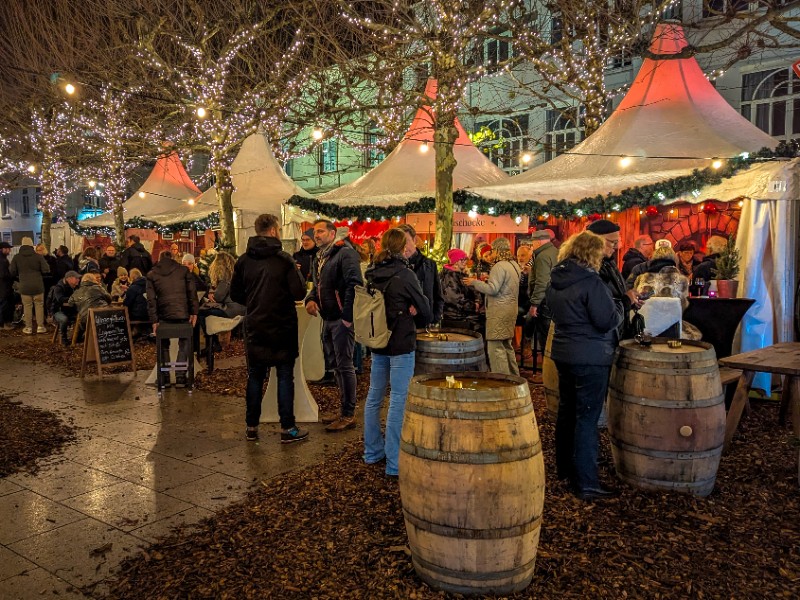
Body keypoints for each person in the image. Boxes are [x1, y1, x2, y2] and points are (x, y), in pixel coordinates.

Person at [545, 232, 622, 502]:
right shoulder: (591, 282)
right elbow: (605, 320)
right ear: (592, 253)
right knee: (586, 418)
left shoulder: (556, 279)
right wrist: (619, 310)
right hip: (590, 355)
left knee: (567, 413)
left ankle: (565, 469)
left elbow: (550, 312)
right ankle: (587, 481)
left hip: (564, 352)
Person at [231, 213, 309, 443]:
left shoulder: (244, 260)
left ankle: (251, 427)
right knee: (285, 376)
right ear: (274, 230)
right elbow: (299, 293)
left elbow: (235, 294)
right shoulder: (284, 260)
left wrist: (255, 302)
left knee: (255, 376)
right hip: (282, 324)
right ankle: (287, 428)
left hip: (255, 325)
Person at [363, 228, 432, 476]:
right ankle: (394, 463)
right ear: (404, 248)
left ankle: (372, 452)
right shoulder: (405, 274)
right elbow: (427, 310)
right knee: (398, 400)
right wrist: (413, 308)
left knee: (374, 397)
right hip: (401, 343)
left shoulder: (371, 272)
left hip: (378, 341)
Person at [305, 219, 363, 432]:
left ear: (332, 233)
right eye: (315, 232)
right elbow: (317, 285)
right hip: (328, 318)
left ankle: (348, 414)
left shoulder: (344, 254)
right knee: (336, 366)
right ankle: (343, 411)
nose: (316, 235)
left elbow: (354, 284)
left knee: (345, 366)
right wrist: (310, 299)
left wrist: (347, 316)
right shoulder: (320, 256)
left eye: (321, 231)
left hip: (340, 319)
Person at [465, 237, 522, 375]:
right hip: (511, 309)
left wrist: (474, 282)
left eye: (493, 251)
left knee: (495, 348)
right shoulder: (514, 264)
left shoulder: (499, 266)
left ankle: (502, 380)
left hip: (499, 311)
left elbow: (493, 289)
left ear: (497, 250)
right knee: (507, 346)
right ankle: (514, 378)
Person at [147, 251, 199, 388]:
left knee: (163, 344)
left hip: (163, 316)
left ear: (159, 259)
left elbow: (151, 300)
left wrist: (154, 320)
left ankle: (164, 378)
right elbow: (192, 293)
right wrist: (194, 312)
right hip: (183, 313)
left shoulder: (152, 274)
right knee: (184, 342)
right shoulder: (183, 271)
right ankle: (181, 376)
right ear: (173, 259)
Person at [586, 219, 642, 341]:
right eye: (613, 242)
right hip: (600, 339)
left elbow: (616, 295)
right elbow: (601, 311)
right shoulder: (590, 268)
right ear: (597, 241)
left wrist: (631, 300)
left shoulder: (608, 262)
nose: (616, 246)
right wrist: (626, 300)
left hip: (613, 334)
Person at [396, 224, 443, 327]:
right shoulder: (394, 266)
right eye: (400, 242)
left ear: (415, 240)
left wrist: (434, 318)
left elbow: (437, 295)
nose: (403, 246)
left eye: (406, 241)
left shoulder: (429, 265)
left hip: (424, 324)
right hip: (401, 326)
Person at [10, 237, 50, 334]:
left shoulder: (16, 257)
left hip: (24, 286)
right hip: (38, 285)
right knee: (39, 305)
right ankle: (40, 326)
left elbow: (12, 271)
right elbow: (46, 269)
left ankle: (28, 327)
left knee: (27, 306)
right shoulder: (38, 256)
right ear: (32, 245)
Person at [527, 229, 558, 345]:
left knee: (545, 337)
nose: (532, 245)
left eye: (533, 242)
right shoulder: (555, 251)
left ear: (538, 242)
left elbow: (542, 282)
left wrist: (534, 304)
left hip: (544, 302)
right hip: (555, 299)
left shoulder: (542, 257)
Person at [440, 248, 480, 332]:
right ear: (455, 261)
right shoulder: (449, 276)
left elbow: (473, 290)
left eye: (465, 259)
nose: (465, 261)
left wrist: (477, 300)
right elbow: (454, 298)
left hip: (462, 316)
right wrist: (473, 306)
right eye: (462, 259)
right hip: (455, 318)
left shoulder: (461, 275)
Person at [68, 272, 112, 341]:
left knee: (80, 317)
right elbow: (109, 299)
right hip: (104, 316)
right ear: (93, 280)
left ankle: (80, 337)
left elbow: (70, 303)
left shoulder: (77, 292)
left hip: (85, 319)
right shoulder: (98, 288)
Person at [47, 270, 80, 345]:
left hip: (71, 310)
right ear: (69, 278)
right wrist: (74, 299)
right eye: (76, 278)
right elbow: (60, 299)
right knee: (64, 319)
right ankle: (63, 338)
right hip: (58, 311)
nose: (78, 280)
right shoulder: (59, 287)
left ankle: (78, 337)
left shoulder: (76, 287)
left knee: (83, 317)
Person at [0, 241, 15, 330]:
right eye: (8, 249)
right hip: (4, 287)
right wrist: (12, 276)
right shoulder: (3, 261)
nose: (9, 251)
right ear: (2, 249)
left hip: (3, 287)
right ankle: (2, 324)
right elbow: (3, 274)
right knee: (3, 306)